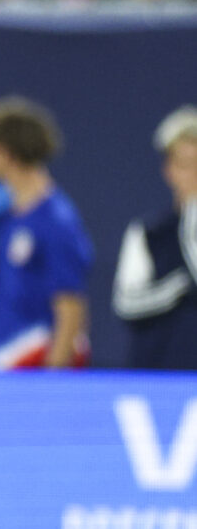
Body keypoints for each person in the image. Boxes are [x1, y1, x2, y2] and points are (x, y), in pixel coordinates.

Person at [0, 97, 92, 370]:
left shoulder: (57, 220)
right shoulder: (5, 221)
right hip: (5, 361)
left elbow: (71, 308)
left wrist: (53, 377)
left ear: (5, 153)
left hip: (36, 362)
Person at [112, 106, 197, 369]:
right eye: (186, 165)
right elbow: (126, 304)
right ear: (169, 169)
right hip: (160, 374)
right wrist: (178, 287)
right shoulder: (148, 231)